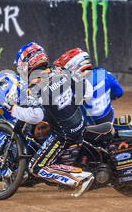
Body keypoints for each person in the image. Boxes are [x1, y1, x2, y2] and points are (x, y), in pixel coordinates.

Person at [7, 42, 95, 197]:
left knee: (36, 167)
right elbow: (87, 92)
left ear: (28, 63)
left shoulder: (36, 87)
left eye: (21, 66)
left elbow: (36, 116)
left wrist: (14, 110)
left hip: (63, 134)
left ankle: (79, 177)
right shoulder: (60, 71)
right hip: (80, 123)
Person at [54, 48, 124, 125]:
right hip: (109, 122)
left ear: (74, 67)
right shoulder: (103, 73)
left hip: (85, 130)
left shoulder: (68, 87)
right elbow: (119, 92)